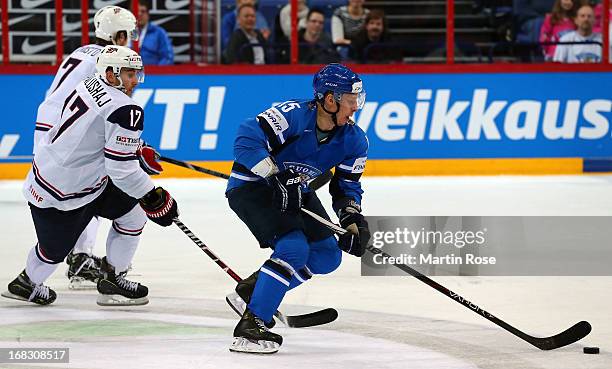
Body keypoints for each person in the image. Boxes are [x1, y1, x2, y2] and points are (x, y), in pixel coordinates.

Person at [2, 45, 179, 306]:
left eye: (135, 74)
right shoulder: (126, 111)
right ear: (110, 74)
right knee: (51, 254)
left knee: (132, 212)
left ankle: (113, 279)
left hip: (60, 179)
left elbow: (91, 133)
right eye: (128, 74)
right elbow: (122, 169)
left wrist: (135, 148)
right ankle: (26, 283)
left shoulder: (88, 84)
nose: (134, 81)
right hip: (65, 193)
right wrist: (153, 196)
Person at [224, 63, 371, 354]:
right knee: (294, 248)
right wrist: (274, 174)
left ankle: (254, 292)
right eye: (350, 100)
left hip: (296, 191)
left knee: (328, 256)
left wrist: (353, 218)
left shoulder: (354, 140)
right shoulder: (292, 115)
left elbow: (346, 186)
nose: (355, 107)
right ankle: (253, 324)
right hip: (253, 188)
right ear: (330, 99)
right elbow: (246, 139)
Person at [33, 6, 161, 291]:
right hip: (67, 141)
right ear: (117, 35)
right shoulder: (108, 62)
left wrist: (134, 146)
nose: (130, 38)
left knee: (89, 192)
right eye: (128, 33)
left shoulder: (82, 52)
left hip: (52, 130)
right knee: (91, 191)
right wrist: (130, 150)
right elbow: (103, 117)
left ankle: (77, 257)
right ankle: (80, 259)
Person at [138, 1, 174, 65]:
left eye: (143, 11)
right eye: (136, 11)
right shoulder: (125, 33)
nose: (139, 14)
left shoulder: (159, 33)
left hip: (153, 74)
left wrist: (157, 72)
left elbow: (168, 58)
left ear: (148, 14)